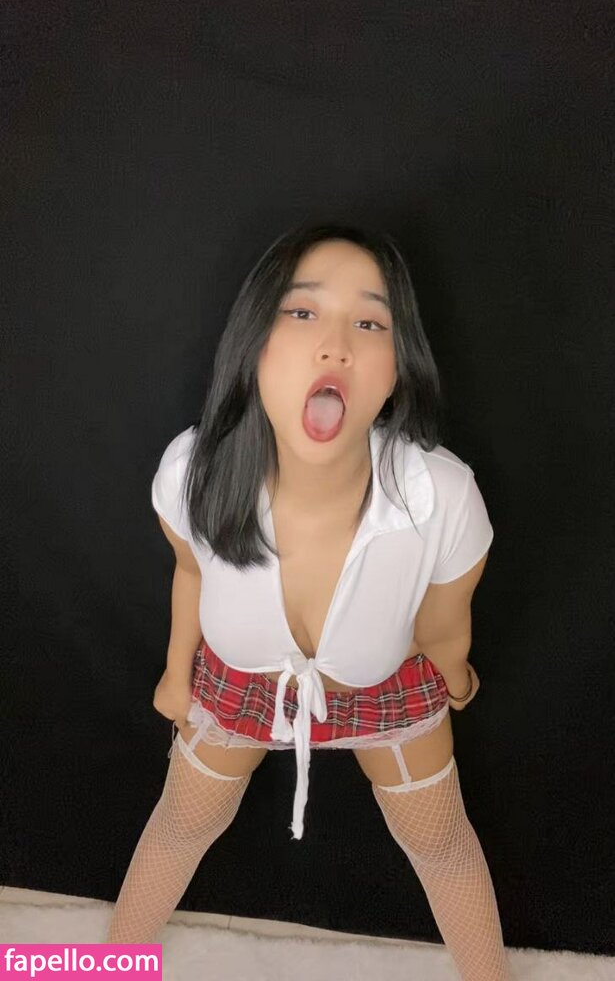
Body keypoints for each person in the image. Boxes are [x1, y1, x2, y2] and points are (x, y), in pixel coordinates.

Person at [106, 223, 509, 979]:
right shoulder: (192, 472)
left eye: (370, 323)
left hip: (388, 689)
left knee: (440, 842)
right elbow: (189, 571)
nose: (335, 347)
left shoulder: (444, 496)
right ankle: (102, 964)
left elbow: (442, 626)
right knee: (182, 822)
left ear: (398, 367)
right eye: (301, 312)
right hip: (235, 685)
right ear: (254, 342)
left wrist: (453, 676)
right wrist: (174, 672)